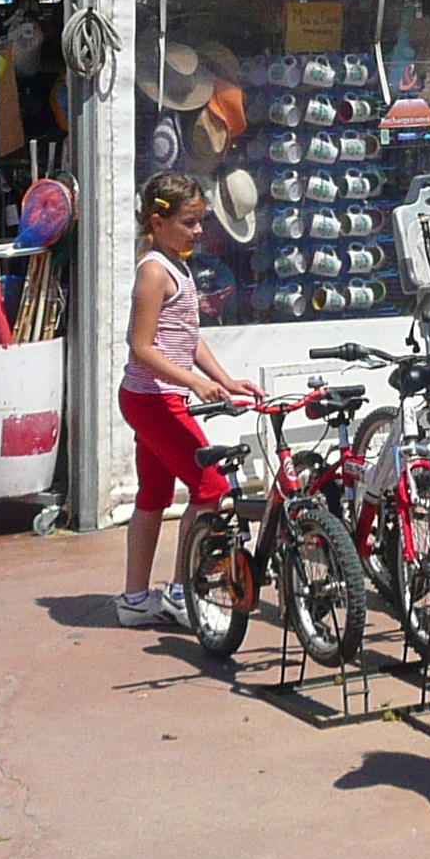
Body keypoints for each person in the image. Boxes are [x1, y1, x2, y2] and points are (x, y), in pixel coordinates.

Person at [115, 171, 245, 631]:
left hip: (156, 397)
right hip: (154, 399)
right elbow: (141, 346)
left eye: (199, 223)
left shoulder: (177, 265)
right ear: (158, 221)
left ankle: (135, 599)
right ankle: (180, 592)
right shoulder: (153, 272)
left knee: (154, 494)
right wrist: (193, 383)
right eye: (189, 223)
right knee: (211, 486)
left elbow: (187, 338)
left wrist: (225, 380)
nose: (198, 232)